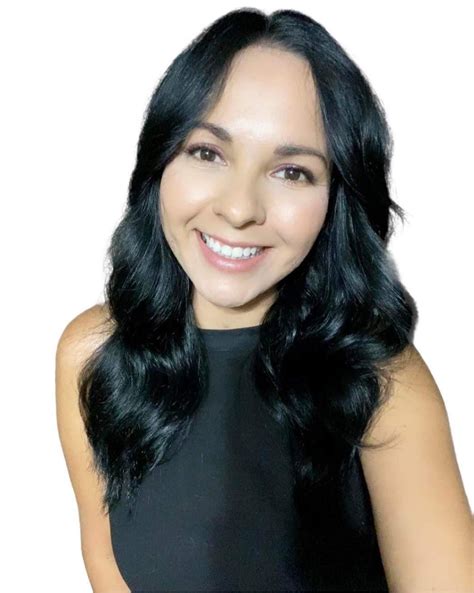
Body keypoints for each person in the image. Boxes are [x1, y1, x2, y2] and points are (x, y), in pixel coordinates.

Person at [55, 7, 473, 592]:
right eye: (208, 153)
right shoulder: (92, 355)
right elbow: (108, 564)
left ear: (336, 198)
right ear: (161, 160)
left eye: (292, 172)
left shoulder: (379, 381)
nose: (238, 209)